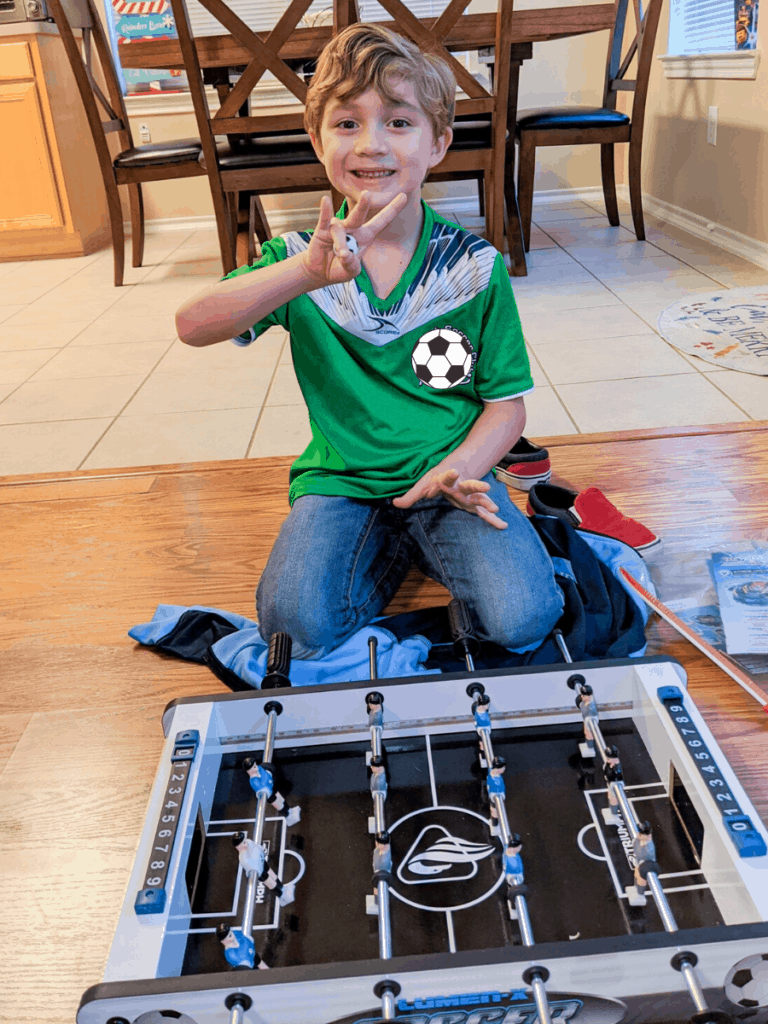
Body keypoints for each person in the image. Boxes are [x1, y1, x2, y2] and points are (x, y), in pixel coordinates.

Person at [175, 24, 563, 662]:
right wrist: (301, 274)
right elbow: (192, 325)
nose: (372, 144)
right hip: (341, 480)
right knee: (291, 626)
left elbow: (506, 406)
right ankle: (391, 543)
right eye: (347, 123)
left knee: (525, 616)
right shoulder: (297, 260)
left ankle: (419, 536)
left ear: (439, 142)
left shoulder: (475, 266)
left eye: (399, 123)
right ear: (316, 139)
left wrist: (464, 467)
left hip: (449, 475)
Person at [232, 832, 296, 906]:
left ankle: (282, 888)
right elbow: (250, 870)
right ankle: (282, 896)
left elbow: (257, 847)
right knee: (271, 883)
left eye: (244, 841)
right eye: (242, 843)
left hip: (262, 862)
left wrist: (262, 851)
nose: (245, 844)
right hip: (260, 871)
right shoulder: (243, 858)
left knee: (273, 875)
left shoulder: (249, 842)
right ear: (237, 847)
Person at [242, 757, 301, 826]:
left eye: (255, 764)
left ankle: (289, 810)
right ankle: (288, 815)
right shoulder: (253, 781)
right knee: (279, 805)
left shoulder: (259, 768)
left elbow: (266, 775)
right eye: (253, 767)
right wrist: (267, 777)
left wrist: (267, 776)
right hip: (269, 795)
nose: (255, 767)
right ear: (249, 771)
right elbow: (263, 783)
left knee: (281, 799)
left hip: (272, 787)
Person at [486, 756, 506, 836]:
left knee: (495, 812)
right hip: (495, 798)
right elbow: (498, 789)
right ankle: (495, 825)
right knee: (496, 813)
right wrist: (501, 795)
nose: (504, 769)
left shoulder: (492, 771)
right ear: (498, 769)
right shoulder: (496, 780)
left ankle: (494, 824)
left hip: (494, 796)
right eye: (503, 767)